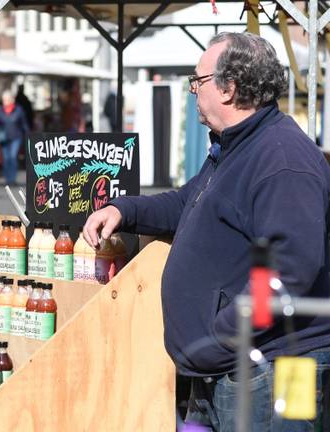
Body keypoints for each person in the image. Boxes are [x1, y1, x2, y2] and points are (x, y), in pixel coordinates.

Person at [84, 32, 330, 431]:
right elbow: (189, 203)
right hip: (235, 367)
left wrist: (221, 338)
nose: (193, 92)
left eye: (197, 82)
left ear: (228, 89)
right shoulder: (237, 146)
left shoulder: (281, 158)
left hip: (271, 368)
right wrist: (123, 209)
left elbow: (290, 271)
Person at [0, 90, 29, 186]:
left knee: (13, 157)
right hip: (4, 138)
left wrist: (29, 135)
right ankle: (7, 178)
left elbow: (24, 124)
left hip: (16, 137)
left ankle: (12, 179)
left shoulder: (19, 110)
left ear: (12, 100)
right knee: (6, 158)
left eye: (8, 99)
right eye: (4, 100)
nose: (6, 101)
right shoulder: (0, 111)